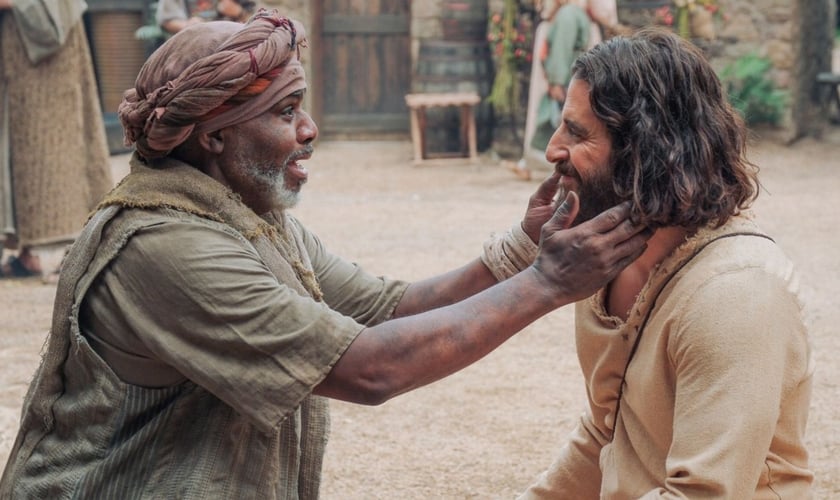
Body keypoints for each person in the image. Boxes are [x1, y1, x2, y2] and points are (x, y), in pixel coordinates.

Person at [0, 10, 651, 498]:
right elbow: (369, 369)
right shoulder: (165, 248)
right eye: (285, 112)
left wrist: (521, 247)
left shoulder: (244, 212)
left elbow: (386, 308)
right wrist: (545, 284)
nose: (309, 131)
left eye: (302, 106)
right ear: (213, 138)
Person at [518, 27, 813, 498]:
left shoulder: (737, 295)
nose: (553, 149)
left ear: (643, 152)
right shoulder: (606, 262)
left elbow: (703, 493)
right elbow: (607, 434)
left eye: (576, 133)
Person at [0, 0, 113, 279]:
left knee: (57, 141)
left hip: (48, 57)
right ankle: (28, 255)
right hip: (15, 46)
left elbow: (51, 19)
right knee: (19, 143)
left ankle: (80, 250)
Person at [511, 0, 589, 182]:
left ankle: (551, 166)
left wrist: (556, 81)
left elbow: (561, 49)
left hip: (566, 78)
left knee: (555, 121)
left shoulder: (568, 14)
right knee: (552, 120)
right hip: (568, 76)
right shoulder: (569, 13)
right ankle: (528, 163)